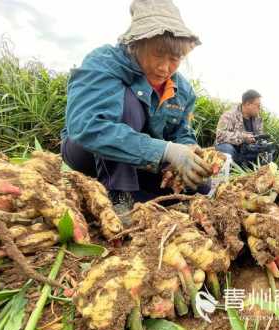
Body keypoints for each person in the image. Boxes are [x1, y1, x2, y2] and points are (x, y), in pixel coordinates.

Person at [61, 0, 211, 208]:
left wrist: (187, 149)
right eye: (158, 54)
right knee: (129, 106)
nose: (164, 67)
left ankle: (140, 194)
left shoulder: (183, 90)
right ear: (138, 44)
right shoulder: (105, 62)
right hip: (86, 149)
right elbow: (87, 126)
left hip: (141, 161)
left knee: (201, 184)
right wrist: (167, 151)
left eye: (175, 58)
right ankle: (120, 197)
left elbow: (181, 131)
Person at [215, 89, 266, 166]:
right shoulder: (229, 115)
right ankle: (226, 174)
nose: (260, 108)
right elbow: (220, 136)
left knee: (266, 151)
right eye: (258, 105)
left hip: (247, 151)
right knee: (227, 150)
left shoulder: (258, 120)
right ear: (248, 104)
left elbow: (260, 137)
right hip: (232, 149)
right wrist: (243, 137)